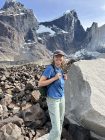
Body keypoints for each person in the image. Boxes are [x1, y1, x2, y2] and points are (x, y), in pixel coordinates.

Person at [38, 50, 67, 140]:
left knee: (61, 122)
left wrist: (64, 78)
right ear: (53, 58)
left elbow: (59, 82)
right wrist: (54, 78)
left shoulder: (61, 69)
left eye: (60, 56)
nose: (58, 58)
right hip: (53, 100)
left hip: (61, 98)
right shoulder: (50, 68)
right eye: (56, 56)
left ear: (63, 58)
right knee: (56, 128)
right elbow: (40, 83)